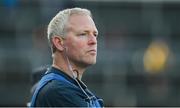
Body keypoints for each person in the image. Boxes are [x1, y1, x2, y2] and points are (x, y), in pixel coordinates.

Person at [30, 7, 104, 107]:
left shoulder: (71, 88)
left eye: (95, 34)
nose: (93, 41)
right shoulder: (58, 92)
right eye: (83, 34)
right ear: (59, 43)